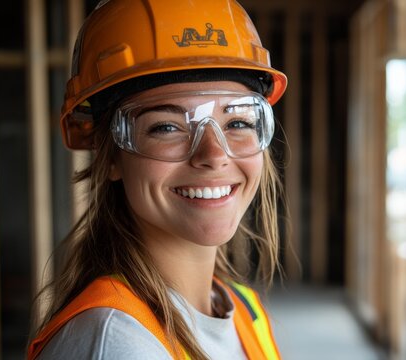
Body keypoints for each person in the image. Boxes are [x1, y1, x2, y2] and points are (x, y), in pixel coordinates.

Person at [27, 0, 288, 359]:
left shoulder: (245, 310)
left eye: (238, 122)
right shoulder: (115, 343)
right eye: (167, 127)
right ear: (111, 157)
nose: (214, 155)